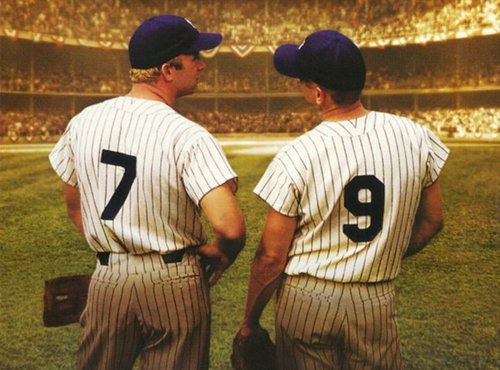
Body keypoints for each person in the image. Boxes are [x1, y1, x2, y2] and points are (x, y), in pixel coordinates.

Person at [235, 30, 449, 369]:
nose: (299, 85)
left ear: (319, 93)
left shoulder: (297, 154)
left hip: (308, 299)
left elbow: (271, 256)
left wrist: (249, 323)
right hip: (375, 298)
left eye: (302, 81)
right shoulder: (415, 135)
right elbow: (433, 220)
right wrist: (379, 254)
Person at [49, 15, 245, 370]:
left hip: (109, 278)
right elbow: (230, 227)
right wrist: (218, 253)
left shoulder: (83, 122)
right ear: (168, 69)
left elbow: (74, 208)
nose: (202, 65)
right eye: (194, 56)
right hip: (173, 280)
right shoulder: (187, 135)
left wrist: (118, 253)